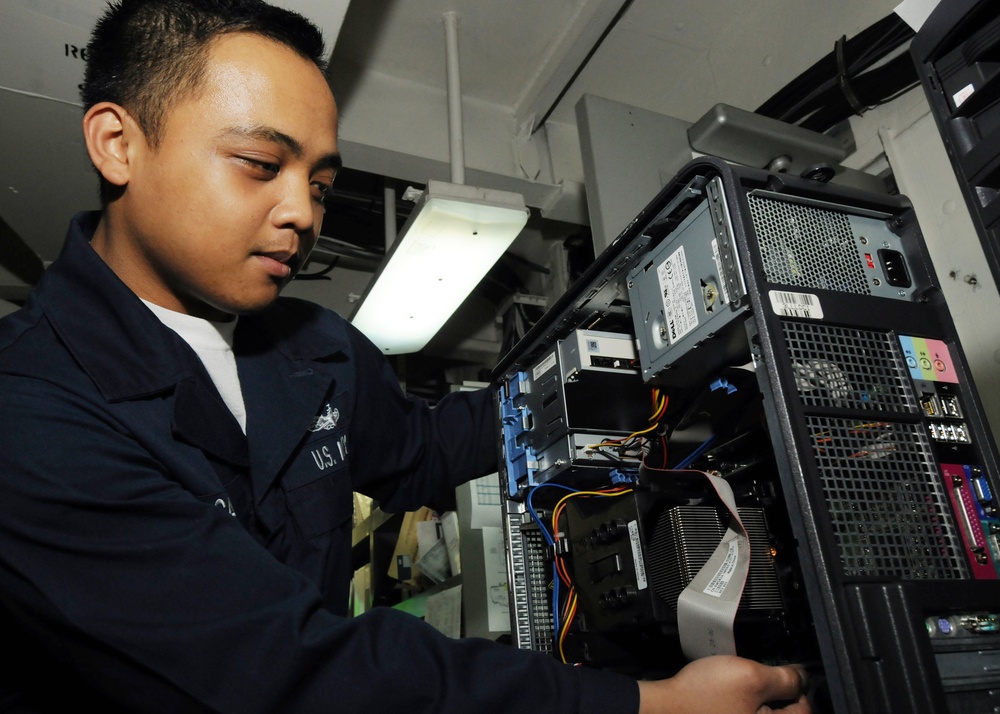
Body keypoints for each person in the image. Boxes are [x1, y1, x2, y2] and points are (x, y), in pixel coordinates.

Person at [0, 1, 810, 712]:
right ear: (117, 143)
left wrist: (608, 374)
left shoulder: (313, 347)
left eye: (319, 183)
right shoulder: (29, 409)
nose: (301, 213)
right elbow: (287, 672)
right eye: (259, 165)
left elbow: (420, 451)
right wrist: (646, 709)